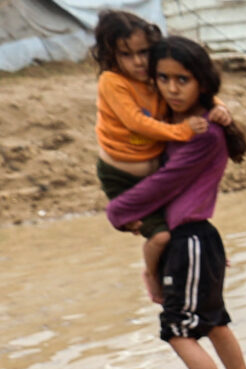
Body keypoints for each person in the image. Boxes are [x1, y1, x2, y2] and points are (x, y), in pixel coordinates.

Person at [106, 36, 246, 369]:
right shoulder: (188, 125)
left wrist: (117, 212)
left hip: (191, 238)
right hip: (198, 241)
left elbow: (163, 185)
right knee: (213, 323)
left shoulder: (202, 134)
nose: (172, 88)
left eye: (183, 80)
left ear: (202, 82)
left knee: (177, 331)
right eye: (163, 79)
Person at [88, 11, 228, 304]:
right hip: (122, 177)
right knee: (161, 236)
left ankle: (206, 260)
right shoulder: (112, 82)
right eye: (126, 55)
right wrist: (182, 132)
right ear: (111, 56)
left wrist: (218, 106)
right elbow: (137, 122)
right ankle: (151, 275)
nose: (138, 62)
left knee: (181, 221)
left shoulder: (154, 79)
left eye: (143, 52)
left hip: (154, 172)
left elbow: (192, 88)